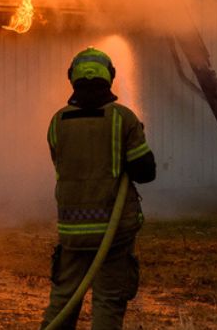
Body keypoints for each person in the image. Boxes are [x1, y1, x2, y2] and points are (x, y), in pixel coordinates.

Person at [41, 47, 156, 330]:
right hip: (113, 232)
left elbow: (62, 165)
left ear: (72, 78)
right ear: (110, 77)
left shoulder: (57, 121)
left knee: (63, 299)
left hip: (72, 232)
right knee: (108, 301)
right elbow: (145, 172)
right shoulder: (123, 119)